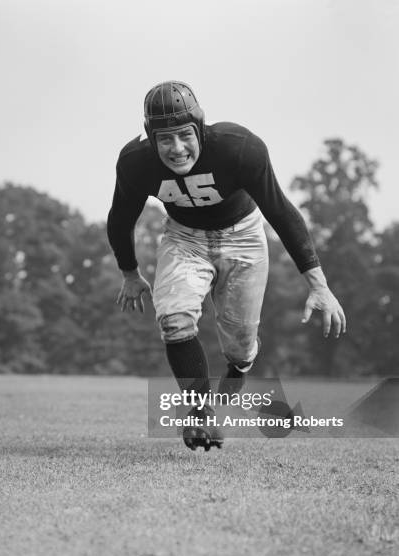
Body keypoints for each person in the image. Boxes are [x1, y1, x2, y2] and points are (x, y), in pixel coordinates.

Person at [107, 80, 346, 451]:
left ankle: (239, 368)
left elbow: (280, 211)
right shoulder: (136, 163)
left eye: (184, 135)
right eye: (164, 139)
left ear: (200, 128)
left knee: (240, 342)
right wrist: (128, 272)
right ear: (151, 138)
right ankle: (201, 413)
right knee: (174, 318)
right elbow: (120, 217)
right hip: (184, 238)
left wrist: (319, 284)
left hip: (244, 237)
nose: (176, 148)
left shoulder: (239, 148)